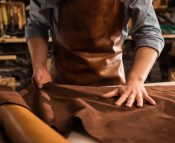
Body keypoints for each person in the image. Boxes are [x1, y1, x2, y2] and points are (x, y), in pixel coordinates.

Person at [25, 0, 164, 108]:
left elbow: (150, 32)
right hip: (61, 86)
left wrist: (136, 80)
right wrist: (39, 66)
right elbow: (37, 25)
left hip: (112, 89)